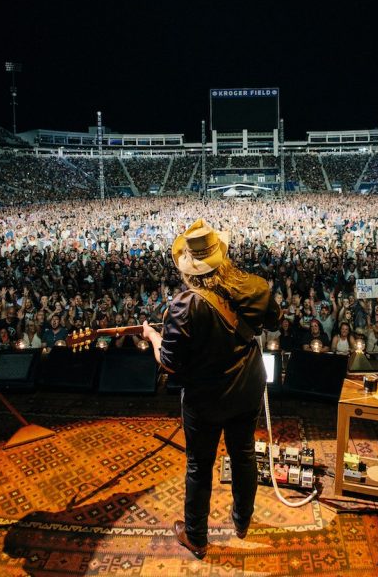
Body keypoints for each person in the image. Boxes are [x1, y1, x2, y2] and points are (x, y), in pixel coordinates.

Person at [142, 219, 280, 560]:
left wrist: (153, 337)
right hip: (247, 387)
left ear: (189, 266)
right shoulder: (256, 286)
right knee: (244, 454)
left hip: (204, 399)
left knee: (199, 466)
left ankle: (197, 537)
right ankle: (242, 522)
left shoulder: (184, 305)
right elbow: (274, 322)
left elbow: (170, 363)